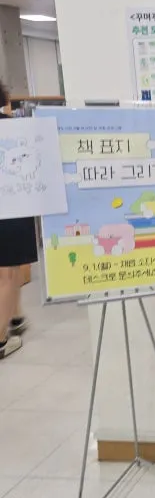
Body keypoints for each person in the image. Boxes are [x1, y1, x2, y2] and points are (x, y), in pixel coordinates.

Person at [0, 81, 37, 359]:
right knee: (8, 274)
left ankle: (15, 317)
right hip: (10, 208)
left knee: (7, 273)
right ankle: (1, 339)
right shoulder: (12, 128)